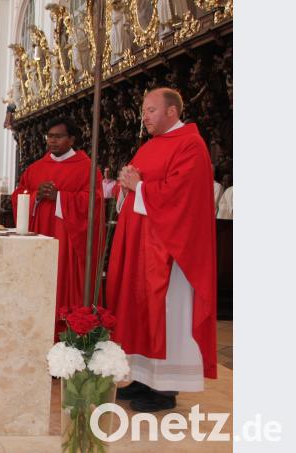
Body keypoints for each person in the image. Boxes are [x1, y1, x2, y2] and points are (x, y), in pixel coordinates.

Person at [107, 87, 217, 412]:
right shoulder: (151, 146)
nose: (144, 117)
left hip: (171, 252)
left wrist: (138, 186)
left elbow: (180, 195)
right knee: (139, 312)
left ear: (171, 112)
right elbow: (130, 187)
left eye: (150, 110)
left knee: (167, 315)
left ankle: (165, 387)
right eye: (144, 111)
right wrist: (125, 184)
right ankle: (142, 376)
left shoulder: (190, 145)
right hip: (142, 247)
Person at [10, 118, 104, 340]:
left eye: (58, 136)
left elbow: (95, 202)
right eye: (49, 136)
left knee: (64, 288)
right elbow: (18, 197)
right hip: (40, 240)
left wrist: (60, 198)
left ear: (72, 139)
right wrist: (35, 197)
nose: (52, 141)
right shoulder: (35, 169)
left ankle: (69, 337)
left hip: (69, 246)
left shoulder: (87, 169)